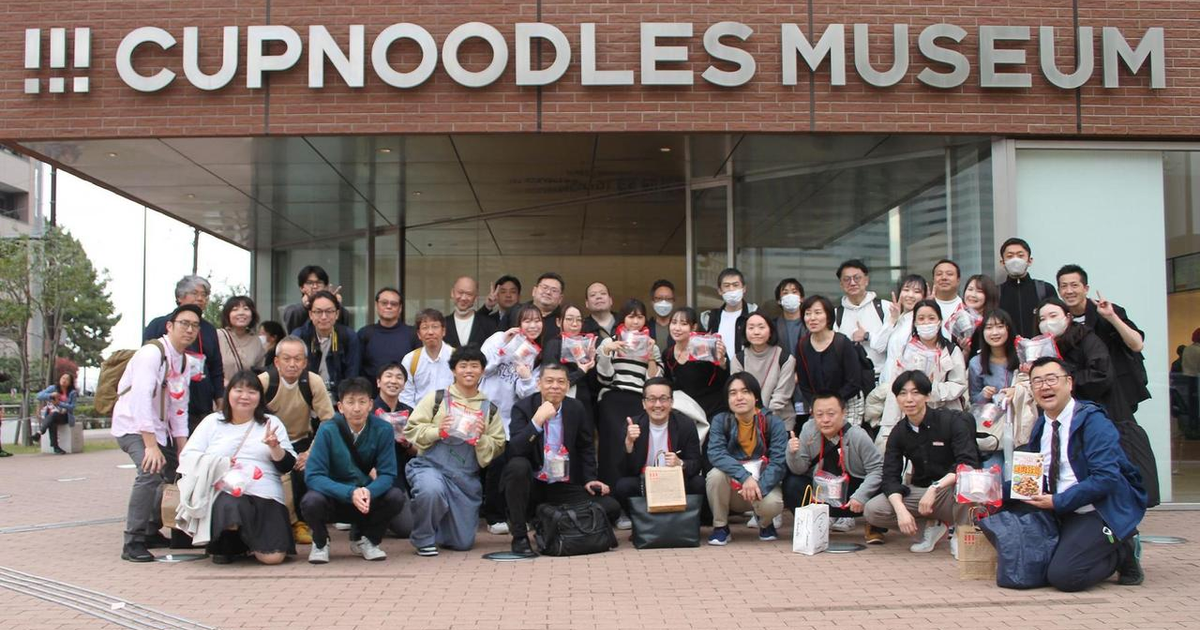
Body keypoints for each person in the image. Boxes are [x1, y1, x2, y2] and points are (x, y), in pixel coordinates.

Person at [1019, 357, 1147, 590]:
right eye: (1037, 381)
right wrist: (992, 488)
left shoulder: (1093, 421)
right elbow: (1034, 474)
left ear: (1069, 383)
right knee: (1031, 567)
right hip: (1063, 509)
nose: (1044, 386)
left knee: (1064, 577)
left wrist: (1058, 501)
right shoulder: (1041, 425)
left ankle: (1122, 549)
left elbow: (1106, 478)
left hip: (1099, 510)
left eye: (1051, 379)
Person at [178, 370, 296, 564]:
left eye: (252, 392)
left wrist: (275, 447)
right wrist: (220, 463)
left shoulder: (271, 423)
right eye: (238, 390)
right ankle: (229, 543)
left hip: (266, 492)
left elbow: (287, 466)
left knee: (273, 558)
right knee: (231, 506)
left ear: (260, 397)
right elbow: (187, 458)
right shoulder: (212, 422)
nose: (244, 396)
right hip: (225, 490)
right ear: (228, 393)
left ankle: (250, 542)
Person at [503, 364, 620, 555]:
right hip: (534, 484)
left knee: (611, 507)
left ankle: (546, 518)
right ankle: (520, 536)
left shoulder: (576, 408)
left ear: (567, 386)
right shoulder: (523, 408)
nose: (555, 386)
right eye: (549, 381)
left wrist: (590, 479)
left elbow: (585, 447)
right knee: (517, 466)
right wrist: (537, 421)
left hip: (563, 483)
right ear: (539, 384)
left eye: (561, 382)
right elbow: (515, 450)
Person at [115, 304, 200, 562]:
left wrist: (183, 447)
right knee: (150, 471)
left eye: (195, 325)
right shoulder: (151, 354)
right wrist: (150, 446)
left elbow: (179, 407)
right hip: (133, 426)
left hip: (159, 430)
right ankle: (133, 541)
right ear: (170, 326)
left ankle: (152, 529)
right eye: (184, 323)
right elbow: (141, 400)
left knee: (176, 470)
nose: (189, 329)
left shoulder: (184, 361)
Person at [404, 345, 506, 556]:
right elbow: (411, 429)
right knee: (430, 490)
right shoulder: (437, 398)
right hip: (430, 467)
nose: (468, 370)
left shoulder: (489, 408)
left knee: (462, 543)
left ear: (482, 370)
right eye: (463, 366)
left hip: (464, 478)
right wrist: (438, 431)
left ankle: (440, 525)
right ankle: (423, 538)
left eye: (474, 366)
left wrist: (480, 439)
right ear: (453, 370)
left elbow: (498, 444)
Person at [863, 370, 979, 552]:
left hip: (950, 491)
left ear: (927, 396)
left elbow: (968, 463)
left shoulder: (951, 421)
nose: (909, 399)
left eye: (915, 393)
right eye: (903, 393)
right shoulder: (898, 432)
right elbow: (890, 477)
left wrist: (935, 488)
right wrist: (901, 510)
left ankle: (961, 535)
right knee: (873, 509)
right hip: (921, 493)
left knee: (968, 485)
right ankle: (930, 529)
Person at [302, 377, 407, 564]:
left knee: (395, 497)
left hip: (365, 496)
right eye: (350, 402)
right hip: (334, 496)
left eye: (362, 402)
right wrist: (350, 492)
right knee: (311, 501)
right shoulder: (327, 429)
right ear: (340, 407)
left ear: (370, 405)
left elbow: (388, 474)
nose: (357, 408)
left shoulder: (383, 429)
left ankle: (368, 540)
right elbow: (313, 476)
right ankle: (320, 542)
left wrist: (368, 491)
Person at [258, 336, 336, 545]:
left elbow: (328, 421)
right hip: (268, 442)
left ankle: (302, 523)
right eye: (287, 359)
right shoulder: (264, 381)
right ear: (277, 361)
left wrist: (311, 452)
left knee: (305, 472)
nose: (292, 364)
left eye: (298, 359)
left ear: (305, 362)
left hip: (301, 440)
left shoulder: (312, 381)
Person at [478, 304, 545, 534]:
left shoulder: (536, 353)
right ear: (518, 322)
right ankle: (492, 516)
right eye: (527, 320)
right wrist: (503, 348)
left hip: (510, 418)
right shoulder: (498, 338)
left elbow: (527, 395)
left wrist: (525, 378)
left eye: (537, 320)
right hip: (485, 412)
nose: (533, 325)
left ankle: (509, 514)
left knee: (507, 465)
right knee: (491, 466)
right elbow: (481, 369)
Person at [782, 392, 884, 543]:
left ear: (843, 413)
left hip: (852, 493)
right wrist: (792, 453)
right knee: (792, 483)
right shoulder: (808, 430)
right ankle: (810, 525)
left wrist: (860, 495)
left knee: (882, 486)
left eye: (831, 414)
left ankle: (874, 525)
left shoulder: (857, 435)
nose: (825, 420)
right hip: (821, 491)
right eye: (819, 414)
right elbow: (799, 469)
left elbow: (877, 469)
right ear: (812, 414)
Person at [872, 299, 969, 448]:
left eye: (931, 318)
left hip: (942, 416)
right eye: (921, 319)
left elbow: (959, 383)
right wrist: (889, 426)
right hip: (910, 415)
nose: (926, 323)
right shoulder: (905, 350)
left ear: (939, 321)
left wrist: (932, 389)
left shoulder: (951, 350)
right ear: (915, 323)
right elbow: (895, 388)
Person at [706, 373, 787, 545]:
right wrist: (745, 478)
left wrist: (757, 488)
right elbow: (716, 453)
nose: (739, 397)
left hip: (763, 486)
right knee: (715, 475)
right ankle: (720, 527)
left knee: (773, 504)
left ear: (755, 396)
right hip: (734, 488)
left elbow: (778, 463)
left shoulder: (773, 423)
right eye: (733, 393)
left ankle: (765, 523)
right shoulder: (721, 421)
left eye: (745, 391)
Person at [1056, 265, 1149, 413]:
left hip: (1117, 390)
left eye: (1074, 285)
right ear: (1059, 291)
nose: (1069, 291)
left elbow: (1137, 345)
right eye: (1064, 286)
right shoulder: (1059, 318)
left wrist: (1111, 317)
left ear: (1086, 288)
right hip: (1082, 392)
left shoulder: (1106, 310)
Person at [143, 275, 224, 433]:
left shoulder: (209, 329)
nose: (200, 299)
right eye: (195, 293)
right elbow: (146, 366)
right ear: (180, 297)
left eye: (204, 295)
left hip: (201, 406)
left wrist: (220, 401)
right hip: (165, 407)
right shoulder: (159, 325)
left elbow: (216, 369)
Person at [596, 299, 663, 489]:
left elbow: (653, 382)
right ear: (623, 318)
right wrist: (607, 351)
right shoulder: (610, 341)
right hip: (613, 397)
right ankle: (608, 491)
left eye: (640, 317)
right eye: (631, 317)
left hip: (638, 400)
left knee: (635, 444)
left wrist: (650, 355)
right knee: (612, 444)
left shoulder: (652, 345)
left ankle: (631, 491)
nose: (635, 321)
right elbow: (604, 379)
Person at [613, 377, 704, 515]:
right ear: (644, 403)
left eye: (663, 399)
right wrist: (629, 443)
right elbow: (623, 470)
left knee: (699, 483)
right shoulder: (633, 425)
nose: (657, 404)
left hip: (676, 481)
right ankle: (640, 521)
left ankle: (686, 521)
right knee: (623, 486)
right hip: (645, 482)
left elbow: (696, 464)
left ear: (671, 402)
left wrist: (680, 463)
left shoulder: (685, 425)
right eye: (651, 399)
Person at [1036, 298, 1128, 421]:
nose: (1048, 322)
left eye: (1053, 316)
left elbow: (1101, 374)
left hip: (1100, 413)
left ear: (1068, 317)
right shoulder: (1042, 348)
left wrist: (1063, 381)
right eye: (1042, 319)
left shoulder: (1086, 339)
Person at [968, 310, 1037, 467]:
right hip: (994, 430)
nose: (994, 332)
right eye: (989, 327)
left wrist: (1017, 390)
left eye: (1000, 326)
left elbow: (1037, 387)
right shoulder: (976, 363)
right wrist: (984, 395)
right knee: (994, 473)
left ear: (1008, 329)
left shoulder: (1023, 356)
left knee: (1022, 475)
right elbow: (973, 399)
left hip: (1022, 425)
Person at [795, 296, 863, 425]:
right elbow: (804, 384)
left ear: (828, 316)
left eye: (818, 312)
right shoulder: (802, 345)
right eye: (807, 314)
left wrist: (832, 402)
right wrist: (818, 403)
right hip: (818, 405)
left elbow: (854, 382)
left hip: (846, 403)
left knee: (846, 437)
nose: (812, 318)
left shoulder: (842, 342)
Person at [730, 312, 797, 430]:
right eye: (751, 328)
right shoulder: (738, 359)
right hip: (747, 424)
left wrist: (762, 420)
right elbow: (738, 393)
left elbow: (781, 396)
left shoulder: (785, 359)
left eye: (761, 327)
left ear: (770, 331)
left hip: (780, 423)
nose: (756, 332)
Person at [661, 307, 729, 419]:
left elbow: (724, 380)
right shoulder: (668, 354)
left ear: (694, 327)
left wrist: (722, 361)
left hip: (713, 411)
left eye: (683, 324)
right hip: (686, 412)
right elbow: (668, 385)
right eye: (674, 322)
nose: (677, 328)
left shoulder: (706, 348)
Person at [833, 259, 893, 382]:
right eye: (847, 279)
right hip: (850, 381)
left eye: (857, 278)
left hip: (881, 379)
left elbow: (892, 345)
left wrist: (867, 336)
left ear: (866, 280)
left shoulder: (885, 307)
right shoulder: (836, 314)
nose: (852, 283)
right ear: (841, 284)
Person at [292, 290, 360, 397]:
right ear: (310, 314)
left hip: (339, 398)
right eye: (318, 312)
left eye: (329, 311)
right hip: (305, 397)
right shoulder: (299, 337)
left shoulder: (348, 337)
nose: (324, 317)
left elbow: (352, 375)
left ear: (337, 314)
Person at [872, 275, 928, 384]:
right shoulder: (898, 318)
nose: (910, 295)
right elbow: (878, 346)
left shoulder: (920, 322)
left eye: (917, 291)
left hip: (907, 385)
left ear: (924, 296)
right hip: (887, 383)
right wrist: (892, 319)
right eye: (906, 290)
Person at [997, 238, 1058, 339]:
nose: (1015, 260)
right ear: (1002, 262)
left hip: (1041, 346)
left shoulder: (1045, 289)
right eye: (1010, 256)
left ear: (1029, 261)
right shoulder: (995, 293)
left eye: (1020, 255)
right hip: (1008, 348)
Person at [357, 287, 419, 387]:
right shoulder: (364, 333)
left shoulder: (412, 334)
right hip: (372, 393)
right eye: (384, 303)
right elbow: (357, 368)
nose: (389, 306)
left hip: (405, 393)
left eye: (393, 304)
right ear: (377, 305)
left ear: (400, 308)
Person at [541, 303, 599, 407]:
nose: (575, 324)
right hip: (561, 402)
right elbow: (552, 379)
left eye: (579, 320)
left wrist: (592, 361)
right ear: (558, 322)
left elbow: (593, 384)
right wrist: (580, 372)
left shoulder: (585, 345)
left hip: (584, 402)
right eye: (569, 319)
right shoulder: (554, 344)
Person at [399, 309, 455, 410]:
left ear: (443, 331)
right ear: (419, 334)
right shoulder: (410, 359)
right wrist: (417, 416)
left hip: (451, 415)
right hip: (418, 416)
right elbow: (406, 396)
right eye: (425, 327)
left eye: (435, 327)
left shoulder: (455, 357)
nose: (430, 332)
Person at [701, 267, 757, 355]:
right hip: (719, 363)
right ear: (720, 291)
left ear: (744, 288)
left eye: (735, 285)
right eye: (727, 286)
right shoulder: (710, 318)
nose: (731, 289)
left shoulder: (754, 314)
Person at [217, 295, 266, 386]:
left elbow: (260, 372)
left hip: (246, 391)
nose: (241, 313)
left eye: (246, 309)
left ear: (252, 314)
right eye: (235, 309)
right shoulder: (218, 336)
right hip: (221, 390)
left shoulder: (256, 341)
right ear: (227, 315)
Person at [282, 265, 347, 333]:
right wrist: (305, 308)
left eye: (319, 282)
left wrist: (335, 305)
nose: (315, 286)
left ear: (326, 287)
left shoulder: (340, 311)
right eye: (310, 283)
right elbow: (293, 335)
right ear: (301, 288)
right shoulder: (294, 311)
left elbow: (342, 331)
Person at [444, 276, 498, 349]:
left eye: (469, 294)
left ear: (476, 297)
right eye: (460, 292)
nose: (463, 298)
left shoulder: (489, 324)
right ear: (452, 293)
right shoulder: (442, 324)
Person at [953, 274, 1000, 352]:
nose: (973, 295)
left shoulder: (996, 319)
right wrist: (966, 350)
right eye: (970, 289)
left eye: (979, 291)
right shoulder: (959, 320)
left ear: (989, 295)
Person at [33, 372, 77, 454]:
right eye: (63, 378)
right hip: (51, 416)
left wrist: (59, 403)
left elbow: (72, 407)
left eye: (67, 379)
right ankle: (56, 448)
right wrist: (50, 395)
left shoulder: (72, 392)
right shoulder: (53, 388)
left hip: (64, 416)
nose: (64, 380)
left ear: (70, 383)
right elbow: (38, 396)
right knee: (52, 421)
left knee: (53, 415)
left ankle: (40, 432)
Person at [530, 272, 566, 339]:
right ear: (534, 291)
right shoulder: (516, 312)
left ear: (560, 298)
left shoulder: (564, 319)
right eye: (544, 287)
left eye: (554, 290)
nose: (548, 292)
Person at [648, 279, 677, 353]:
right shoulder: (645, 328)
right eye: (659, 299)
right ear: (652, 302)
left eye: (668, 299)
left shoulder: (680, 329)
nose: (663, 302)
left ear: (673, 302)